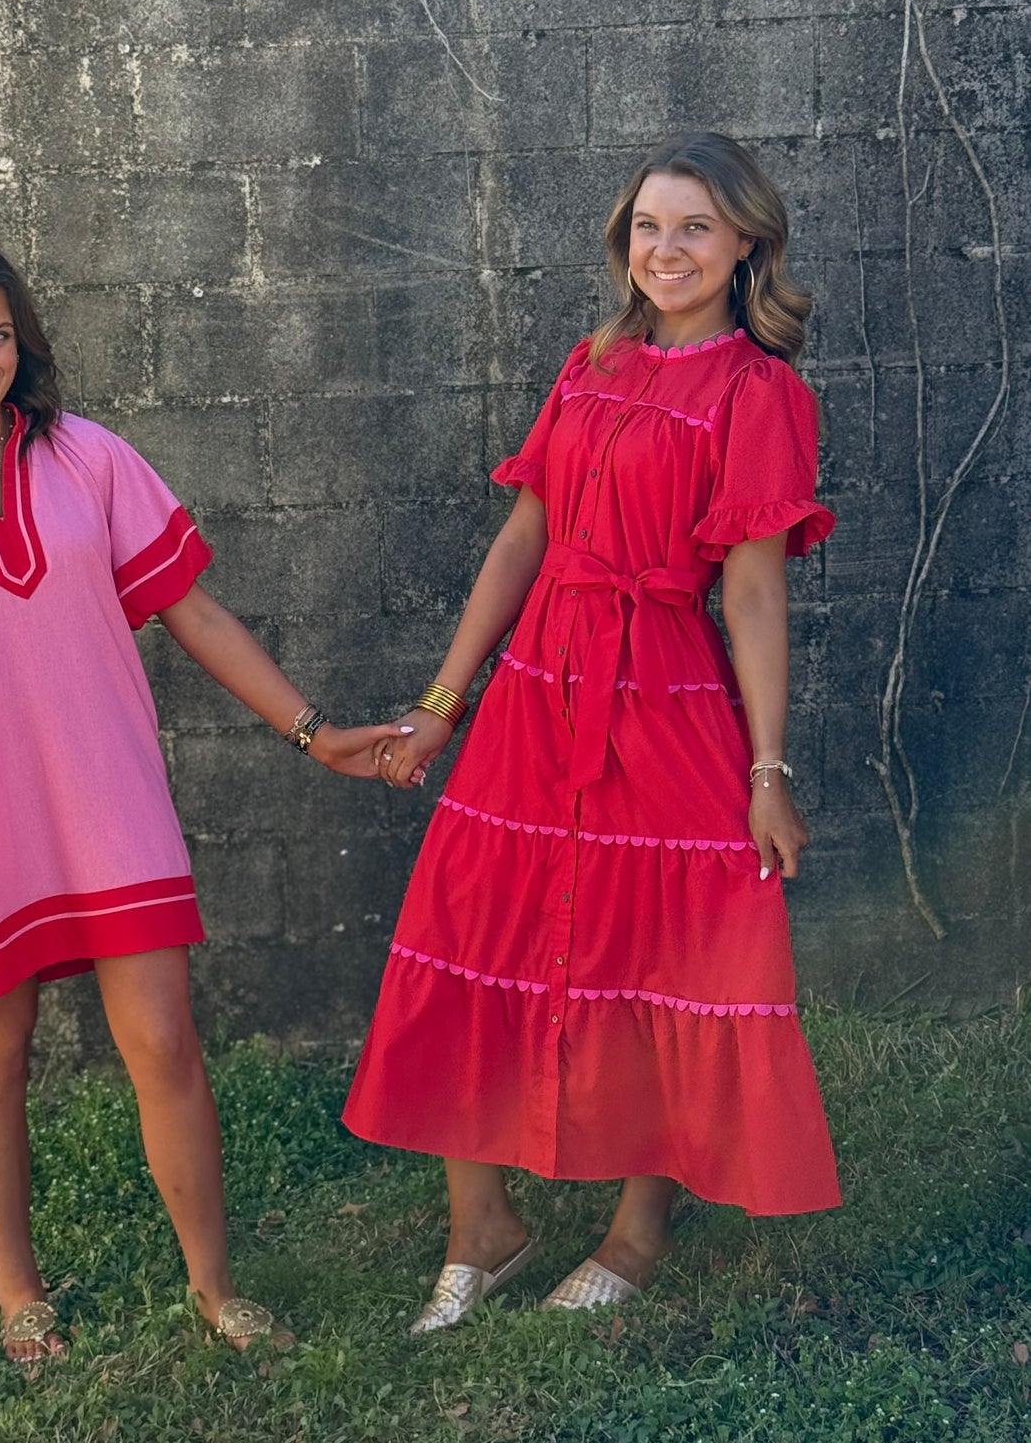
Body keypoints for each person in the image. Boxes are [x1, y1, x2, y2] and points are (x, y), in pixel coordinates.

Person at [0, 235, 407, 1366]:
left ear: (20, 340)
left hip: (112, 797)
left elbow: (195, 614)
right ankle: (19, 1293)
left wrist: (313, 734)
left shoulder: (90, 460)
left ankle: (215, 1287)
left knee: (164, 1042)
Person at [344, 133, 840, 1331]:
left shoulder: (758, 393)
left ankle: (635, 1229)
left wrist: (766, 770)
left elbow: (755, 591)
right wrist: (438, 704)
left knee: (659, 949)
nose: (664, 249)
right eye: (647, 226)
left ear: (744, 248)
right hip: (533, 689)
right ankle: (485, 1224)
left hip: (662, 694)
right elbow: (522, 539)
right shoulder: (589, 361)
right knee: (470, 926)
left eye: (694, 229)